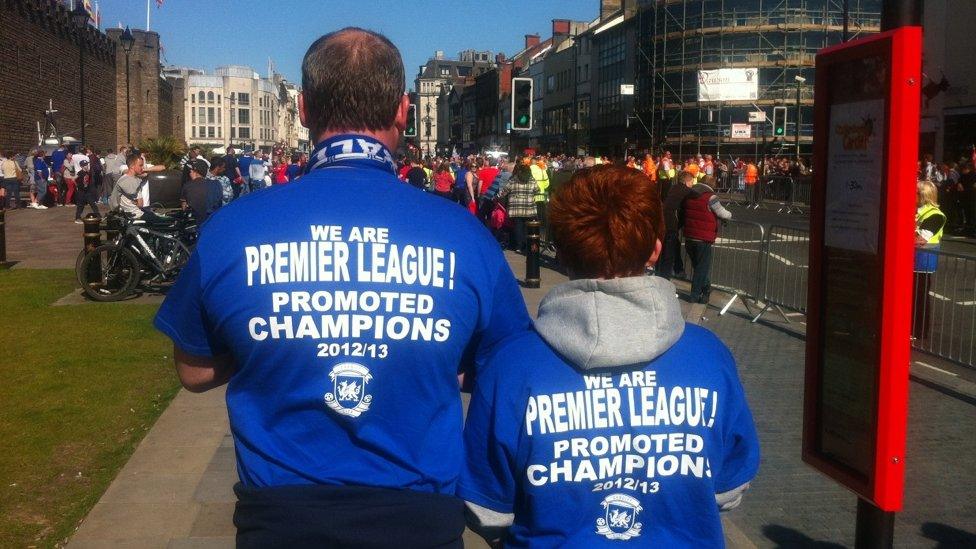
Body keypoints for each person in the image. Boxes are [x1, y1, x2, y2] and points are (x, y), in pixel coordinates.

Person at [153, 27, 530, 548]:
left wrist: (275, 339)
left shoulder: (233, 228)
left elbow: (194, 370)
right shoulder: (465, 235)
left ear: (304, 109)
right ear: (403, 109)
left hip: (281, 521)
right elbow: (507, 369)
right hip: (418, 518)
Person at [460, 164, 759, 547]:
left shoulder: (512, 364)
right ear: (655, 248)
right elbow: (728, 486)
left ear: (563, 253)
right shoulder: (709, 357)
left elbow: (488, 508)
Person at [682, 175, 732, 303]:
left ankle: (706, 290)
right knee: (702, 268)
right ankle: (695, 295)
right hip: (703, 237)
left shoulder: (689, 194)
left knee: (698, 266)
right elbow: (722, 213)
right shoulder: (710, 197)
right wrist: (729, 215)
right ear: (712, 185)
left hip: (689, 235)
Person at [913, 180, 946, 343]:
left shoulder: (935, 215)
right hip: (910, 261)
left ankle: (919, 331)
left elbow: (919, 240)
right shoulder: (915, 211)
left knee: (920, 297)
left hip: (922, 263)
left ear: (923, 195)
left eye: (916, 192)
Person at [110, 151, 170, 224]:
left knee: (167, 219)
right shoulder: (125, 179)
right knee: (164, 222)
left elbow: (163, 167)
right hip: (134, 215)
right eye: (140, 165)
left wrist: (143, 170)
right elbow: (138, 201)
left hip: (140, 211)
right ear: (132, 166)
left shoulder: (136, 179)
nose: (142, 167)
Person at [657, 170, 695, 279]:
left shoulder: (673, 188)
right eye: (691, 182)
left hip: (663, 222)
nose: (692, 184)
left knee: (671, 248)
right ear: (687, 182)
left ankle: (677, 269)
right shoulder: (686, 190)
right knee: (668, 253)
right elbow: (697, 196)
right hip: (671, 224)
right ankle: (664, 277)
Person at [496, 159, 537, 253]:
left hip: (516, 207)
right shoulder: (531, 180)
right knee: (528, 227)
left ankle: (519, 246)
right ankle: (527, 245)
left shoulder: (513, 180)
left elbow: (504, 191)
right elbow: (537, 190)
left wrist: (498, 196)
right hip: (529, 207)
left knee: (518, 227)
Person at [181, 159, 220, 224]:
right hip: (213, 221)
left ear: (193, 172)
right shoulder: (217, 184)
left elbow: (184, 207)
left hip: (195, 223)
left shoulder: (187, 186)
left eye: (190, 171)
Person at [73, 159, 100, 223]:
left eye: (87, 164)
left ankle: (99, 217)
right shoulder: (80, 173)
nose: (87, 166)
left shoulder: (89, 172)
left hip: (87, 192)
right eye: (85, 165)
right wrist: (78, 186)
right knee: (80, 206)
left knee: (93, 204)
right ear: (82, 166)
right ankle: (77, 218)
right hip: (81, 192)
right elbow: (73, 179)